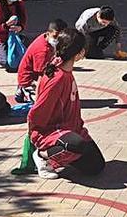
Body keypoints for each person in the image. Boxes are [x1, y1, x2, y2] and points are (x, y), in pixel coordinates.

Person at [28, 28, 106, 180]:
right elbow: (38, 112)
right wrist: (36, 135)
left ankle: (64, 152)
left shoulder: (64, 70)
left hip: (72, 128)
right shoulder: (57, 78)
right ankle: (43, 156)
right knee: (76, 145)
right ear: (80, 53)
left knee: (96, 166)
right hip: (52, 131)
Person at [16, 19, 68, 103]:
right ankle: (25, 89)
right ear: (48, 33)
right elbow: (41, 74)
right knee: (44, 102)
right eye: (55, 36)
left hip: (34, 74)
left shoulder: (45, 37)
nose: (57, 40)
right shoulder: (43, 51)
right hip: (30, 79)